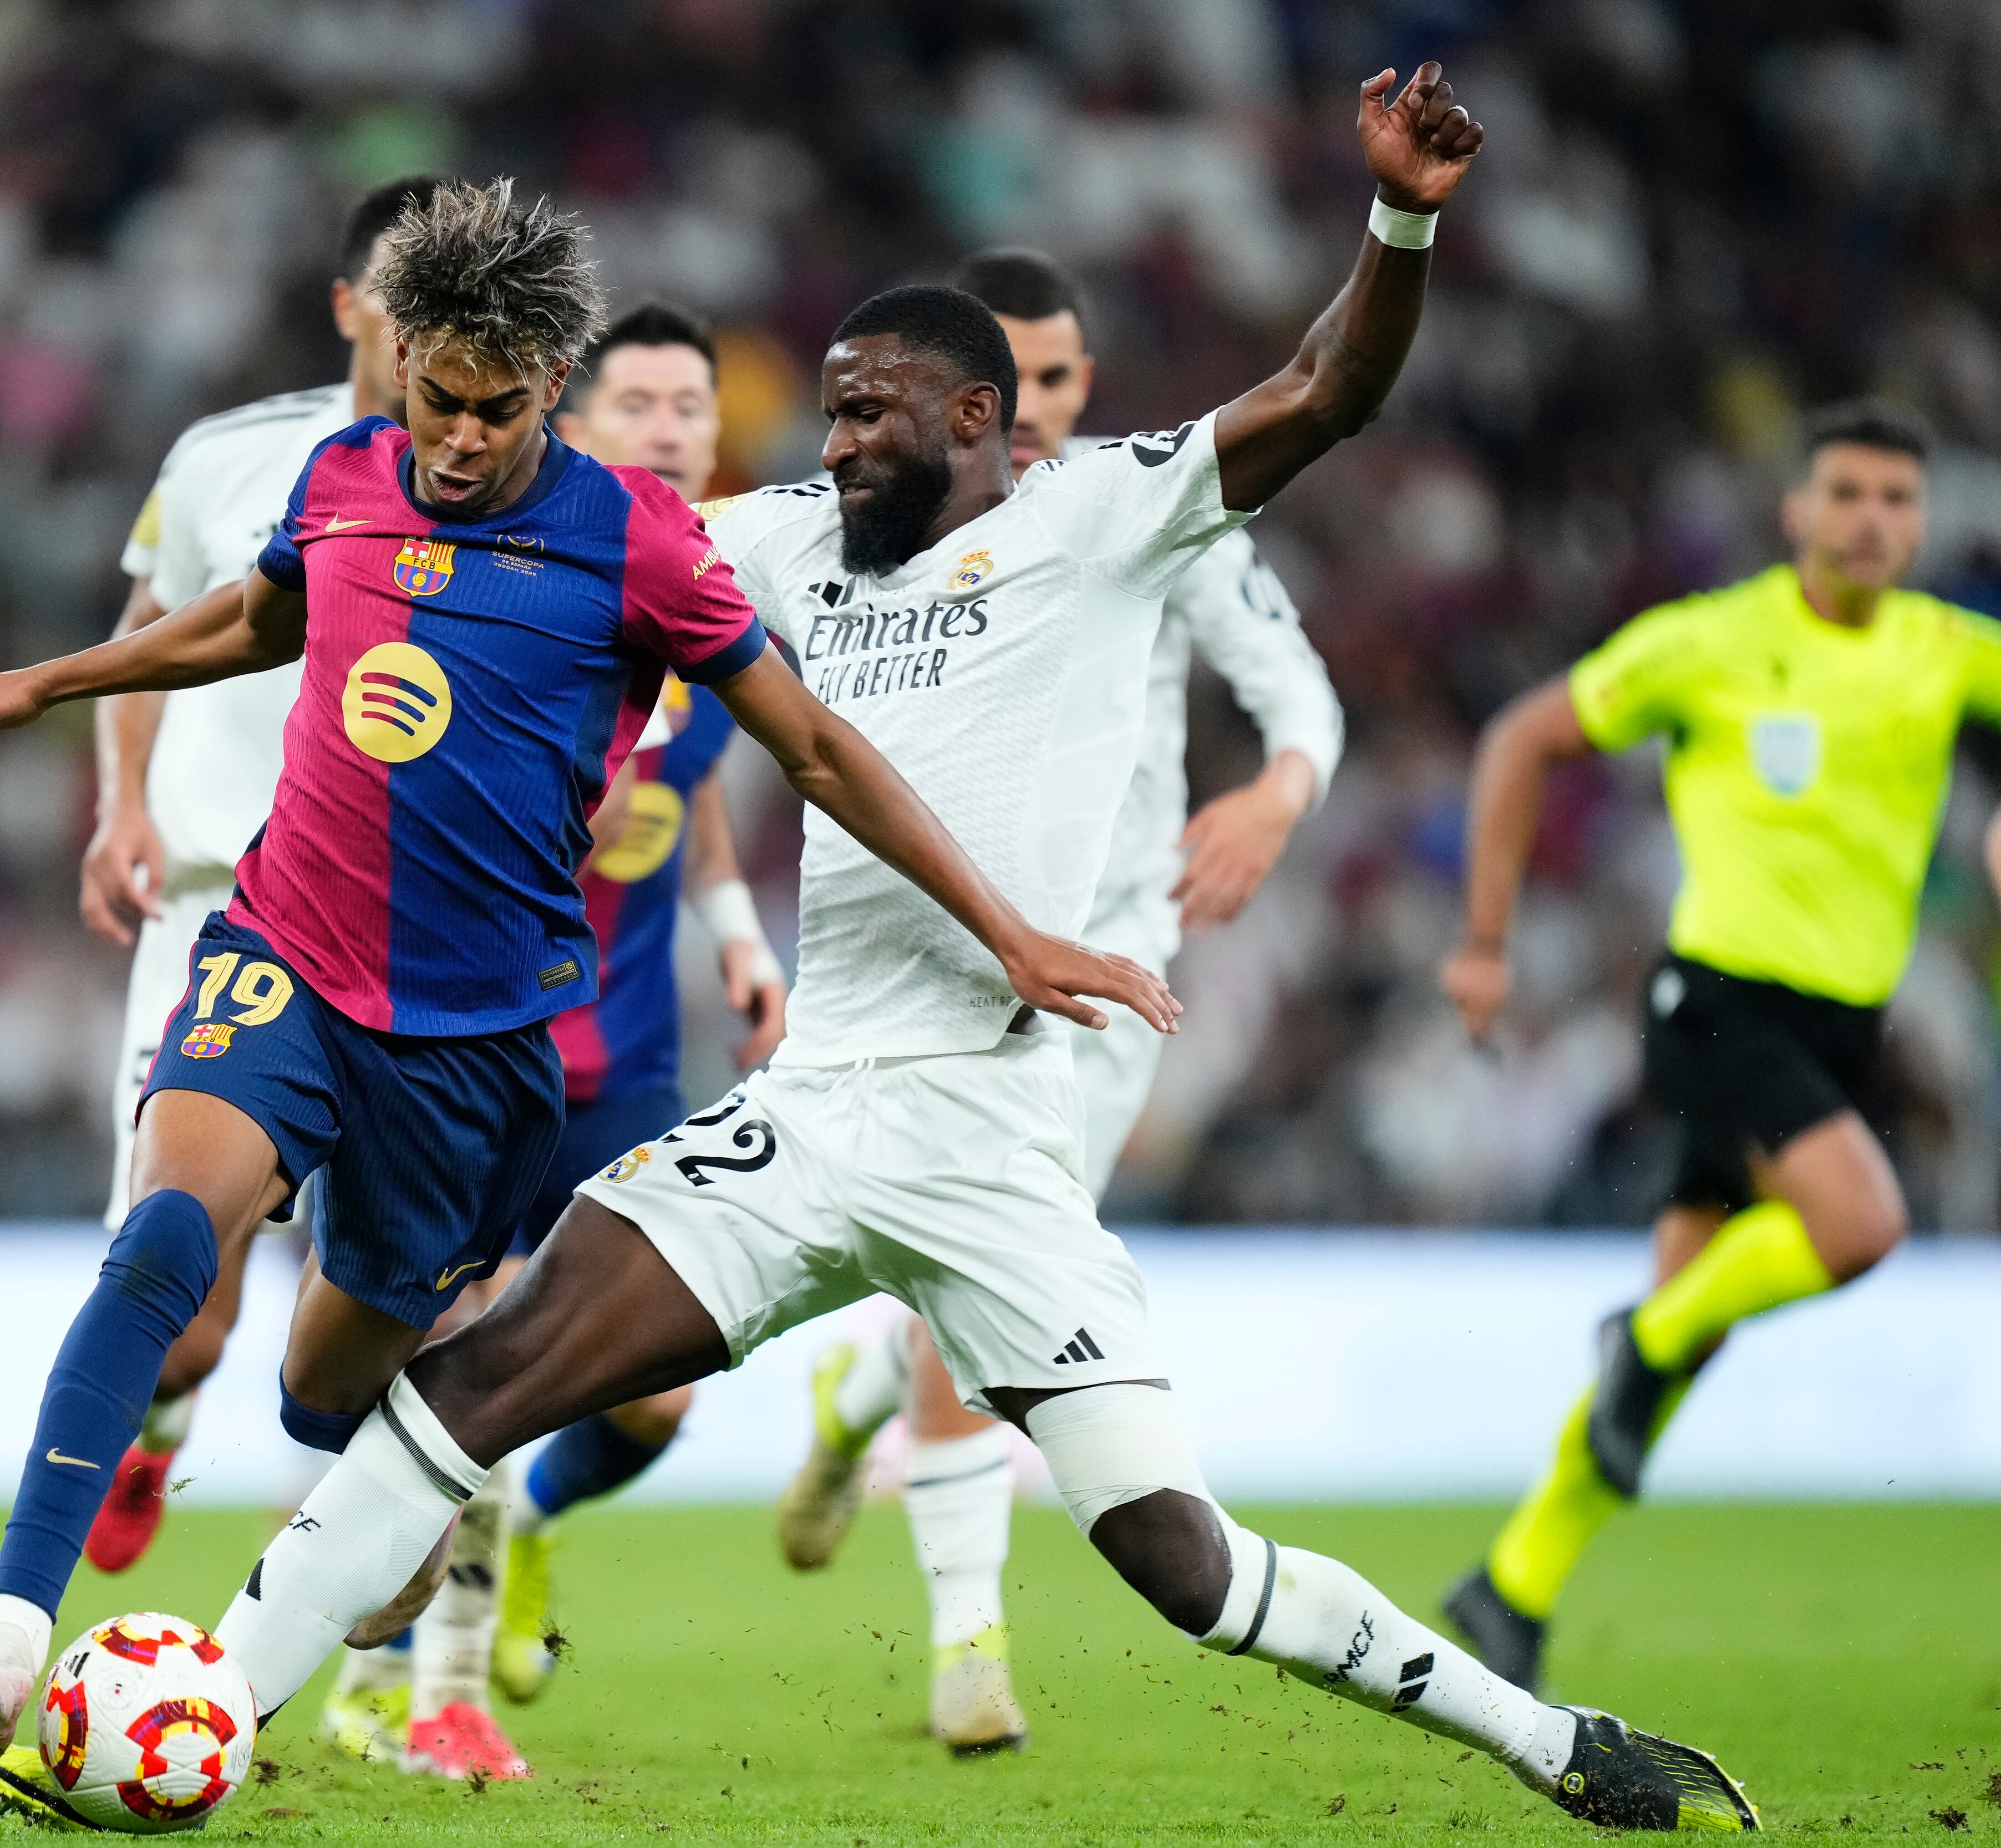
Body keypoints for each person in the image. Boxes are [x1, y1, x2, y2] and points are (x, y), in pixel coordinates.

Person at [196, 70, 1754, 1834]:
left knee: (1183, 1560)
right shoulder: (781, 540)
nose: (835, 441)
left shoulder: (1104, 514)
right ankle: (211, 1703)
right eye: (830, 414)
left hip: (999, 1139)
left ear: (978, 414)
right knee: (474, 1383)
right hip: (816, 1107)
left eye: (869, 415)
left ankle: (1561, 1746)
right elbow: (554, 552)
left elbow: (1331, 390)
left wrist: (1400, 218)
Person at [0, 178, 1165, 1791]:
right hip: (285, 952)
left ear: (550, 391)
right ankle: (11, 1632)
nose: (458, 440)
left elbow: (817, 747)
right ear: (405, 364)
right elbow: (251, 618)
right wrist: (45, 681)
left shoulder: (640, 542)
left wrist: (1006, 928)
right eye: (438, 401)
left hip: (478, 1050)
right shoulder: (347, 474)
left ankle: (393, 1542)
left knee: (323, 1387)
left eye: (499, 413)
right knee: (167, 1232)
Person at [773, 246, 1345, 1756]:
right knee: (973, 1295)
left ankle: (856, 1397)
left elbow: (1299, 694)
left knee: (970, 1302)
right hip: (927, 967)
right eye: (1016, 378)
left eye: (1066, 378)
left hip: (1111, 969)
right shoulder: (875, 547)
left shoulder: (1138, 513)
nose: (1038, 411)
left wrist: (1278, 793)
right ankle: (968, 1640)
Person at [1438, 398, 1998, 1694]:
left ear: (1923, 520)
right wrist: (1482, 938)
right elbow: (1522, 735)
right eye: (1846, 494)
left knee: (1692, 1326)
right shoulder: (1712, 641)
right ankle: (1634, 1340)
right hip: (1717, 1006)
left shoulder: (1948, 650)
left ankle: (1512, 1580)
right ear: (1796, 510)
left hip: (1843, 1030)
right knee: (1859, 1227)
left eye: (1897, 499)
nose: (1871, 521)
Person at [322, 299, 791, 1779]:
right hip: (471, 1043)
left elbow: (695, 783)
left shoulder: (705, 613)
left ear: (716, 434)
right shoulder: (507, 605)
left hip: (630, 1064)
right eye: (635, 400)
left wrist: (733, 931)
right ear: (572, 430)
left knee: (652, 1398)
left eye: (687, 406)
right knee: (471, 1356)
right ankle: (423, 1678)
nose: (665, 424)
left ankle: (500, 1540)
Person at [76, 175, 446, 1582]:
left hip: (406, 935)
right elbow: (145, 632)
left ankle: (392, 1591)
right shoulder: (228, 456)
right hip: (214, 906)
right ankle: (159, 1431)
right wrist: (121, 804)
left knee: (389, 1291)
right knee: (194, 1304)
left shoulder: (513, 480)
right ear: (353, 305)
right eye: (407, 303)